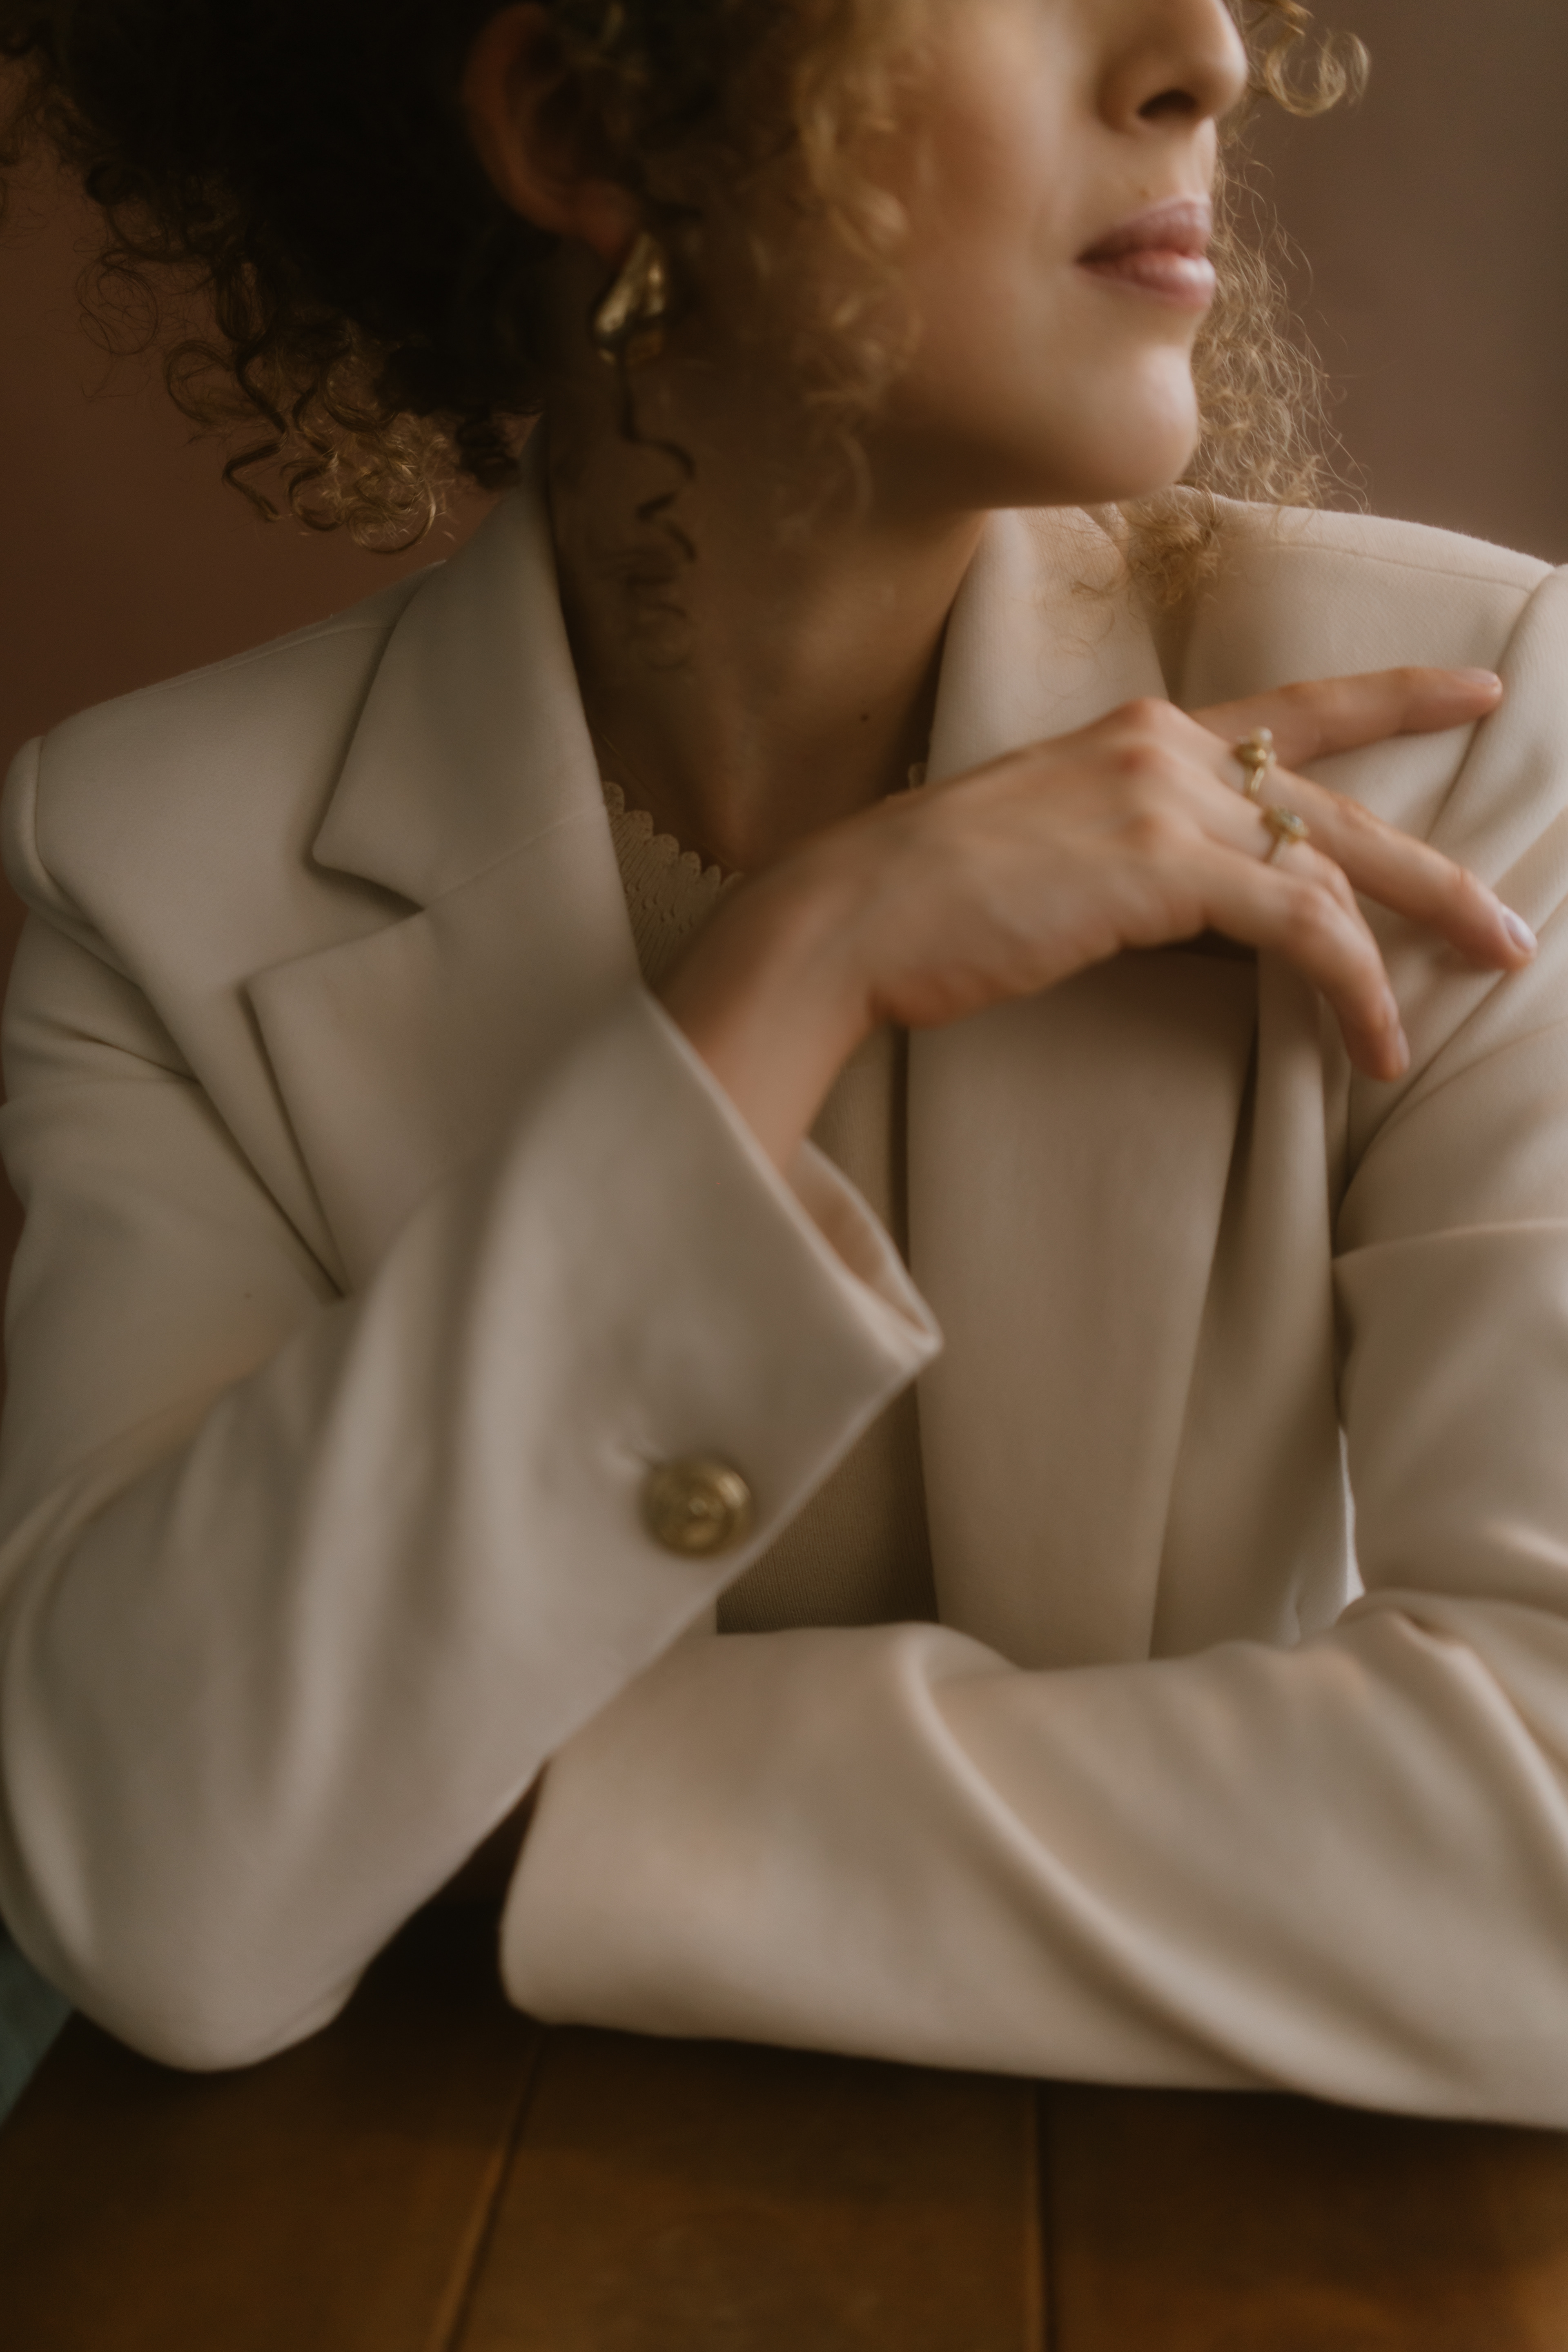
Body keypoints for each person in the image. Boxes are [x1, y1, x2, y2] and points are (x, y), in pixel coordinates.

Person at [0, 0, 1564, 2125]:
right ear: (584, 122)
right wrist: (790, 975)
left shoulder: (1466, 739)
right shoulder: (153, 874)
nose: (1203, 53)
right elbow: (158, 1876)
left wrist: (512, 1804)